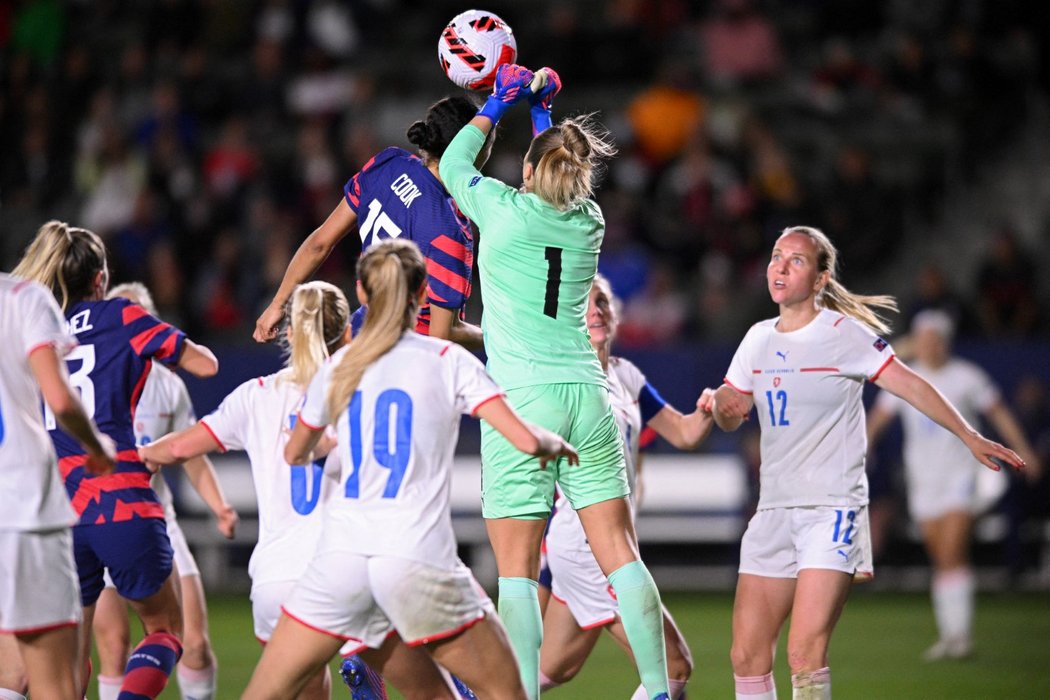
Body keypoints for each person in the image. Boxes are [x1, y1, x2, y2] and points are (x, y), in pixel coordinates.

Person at [237, 239, 577, 700]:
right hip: (416, 556)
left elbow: (295, 452)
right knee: (506, 693)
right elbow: (523, 437)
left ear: (360, 293)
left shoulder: (338, 367)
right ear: (422, 295)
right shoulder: (447, 360)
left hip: (342, 561)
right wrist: (552, 442)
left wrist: (337, 450)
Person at [709, 226, 1025, 700]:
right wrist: (721, 409)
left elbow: (910, 383)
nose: (780, 266)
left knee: (804, 653)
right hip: (773, 509)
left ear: (820, 279)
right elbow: (733, 413)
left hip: (831, 509)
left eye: (796, 260)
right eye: (777, 256)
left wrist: (969, 434)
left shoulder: (843, 334)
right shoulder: (756, 339)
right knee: (747, 656)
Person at [439, 64, 673, 700]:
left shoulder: (503, 212)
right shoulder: (588, 222)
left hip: (525, 401)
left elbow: (456, 163)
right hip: (589, 397)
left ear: (527, 173)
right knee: (620, 552)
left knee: (516, 570)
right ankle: (655, 688)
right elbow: (559, 172)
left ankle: (524, 695)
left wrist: (500, 102)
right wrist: (544, 111)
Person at [11, 220, 219, 700]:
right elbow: (205, 364)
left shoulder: (38, 331)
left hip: (58, 513)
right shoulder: (122, 317)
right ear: (99, 278)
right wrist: (157, 349)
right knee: (165, 629)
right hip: (120, 499)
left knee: (66, 661)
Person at [140, 280, 350, 700]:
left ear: (290, 331)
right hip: (343, 570)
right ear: (345, 333)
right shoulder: (360, 389)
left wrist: (128, 458)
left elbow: (179, 447)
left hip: (276, 579)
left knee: (300, 684)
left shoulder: (255, 397)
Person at [540, 275, 714, 699]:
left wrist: (708, 408)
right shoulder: (563, 381)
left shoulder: (626, 376)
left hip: (604, 544)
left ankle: (466, 691)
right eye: (586, 303)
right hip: (589, 548)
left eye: (603, 301)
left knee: (552, 669)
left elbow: (685, 434)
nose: (597, 309)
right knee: (674, 667)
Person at [90, 282, 237, 700]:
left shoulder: (168, 385)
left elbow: (190, 453)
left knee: (195, 644)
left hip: (157, 518)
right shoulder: (92, 375)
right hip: (102, 515)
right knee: (113, 644)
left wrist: (220, 506)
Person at [867, 309, 1040, 661]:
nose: (928, 345)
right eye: (923, 338)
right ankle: (950, 635)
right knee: (941, 557)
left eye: (934, 338)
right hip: (923, 479)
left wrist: (1023, 452)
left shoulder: (967, 377)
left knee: (952, 552)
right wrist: (862, 449)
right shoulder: (905, 378)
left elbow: (999, 414)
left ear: (945, 341)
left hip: (962, 476)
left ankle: (959, 636)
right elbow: (878, 420)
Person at [254, 94, 491, 348]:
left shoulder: (388, 163)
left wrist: (278, 304)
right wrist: (496, 336)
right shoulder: (448, 226)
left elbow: (319, 243)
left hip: (359, 339)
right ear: (472, 148)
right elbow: (441, 337)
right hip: (404, 359)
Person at [0, 271, 116, 700]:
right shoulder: (23, 297)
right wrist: (96, 444)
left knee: (8, 675)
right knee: (54, 681)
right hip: (22, 506)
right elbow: (61, 398)